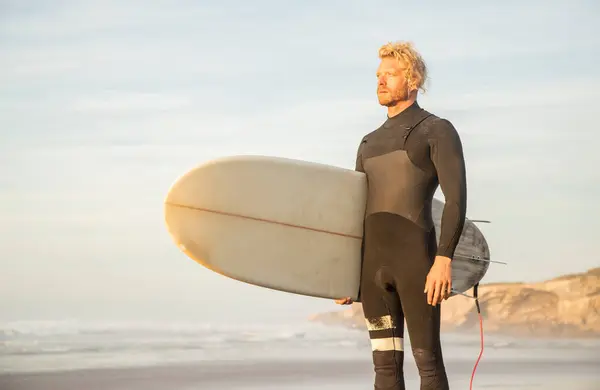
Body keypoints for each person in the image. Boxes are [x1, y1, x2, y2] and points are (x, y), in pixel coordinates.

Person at [335, 41, 467, 390]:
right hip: (372, 274)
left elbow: (455, 199)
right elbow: (355, 212)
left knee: (428, 364)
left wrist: (443, 260)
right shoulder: (368, 142)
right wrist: (343, 274)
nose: (381, 82)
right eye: (378, 76)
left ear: (413, 79)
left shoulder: (435, 130)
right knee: (385, 368)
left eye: (390, 75)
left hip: (418, 266)